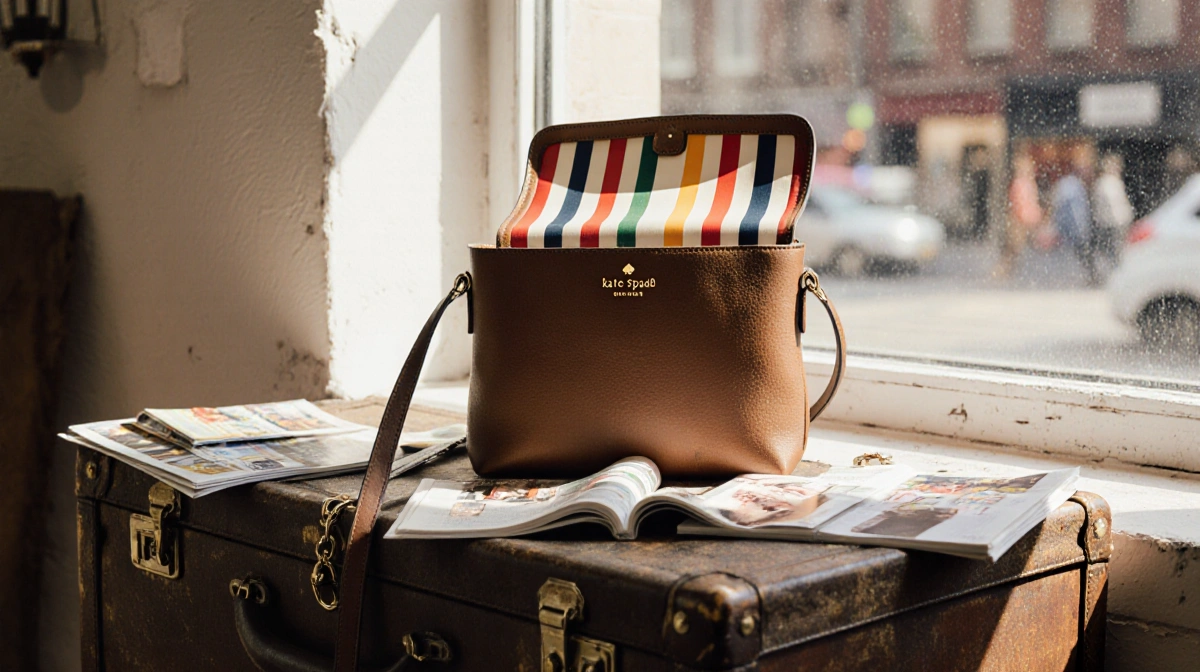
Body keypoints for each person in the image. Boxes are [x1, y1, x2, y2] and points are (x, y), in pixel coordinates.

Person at [1051, 147, 1098, 285]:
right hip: (1076, 228)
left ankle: (1089, 276)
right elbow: (1068, 209)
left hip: (1077, 228)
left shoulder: (1073, 184)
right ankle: (1089, 276)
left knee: (1082, 254)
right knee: (1082, 254)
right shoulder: (1071, 185)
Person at [996, 154, 1043, 278]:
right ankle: (1004, 270)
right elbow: (1019, 202)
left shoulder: (1027, 183)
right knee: (1014, 248)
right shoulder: (1020, 183)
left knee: (1016, 248)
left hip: (1025, 219)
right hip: (1021, 219)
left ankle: (1008, 270)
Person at [1091, 154, 1134, 273]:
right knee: (1114, 251)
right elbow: (1113, 205)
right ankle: (1116, 273)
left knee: (1115, 251)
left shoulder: (1113, 182)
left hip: (1114, 222)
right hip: (1113, 223)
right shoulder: (1107, 183)